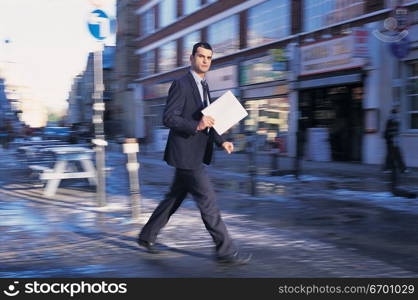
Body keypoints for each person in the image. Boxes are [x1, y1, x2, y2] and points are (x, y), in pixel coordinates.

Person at [137, 42, 252, 265]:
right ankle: (225, 251)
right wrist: (196, 126)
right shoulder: (181, 84)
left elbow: (208, 120)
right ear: (192, 58)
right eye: (201, 56)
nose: (206, 61)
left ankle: (146, 236)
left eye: (209, 57)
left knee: (173, 198)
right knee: (208, 202)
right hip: (186, 154)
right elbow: (169, 118)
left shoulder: (204, 86)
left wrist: (222, 141)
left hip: (194, 154)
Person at [383, 107, 408, 173]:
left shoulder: (395, 121)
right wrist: (392, 136)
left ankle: (400, 168)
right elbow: (388, 131)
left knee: (394, 154)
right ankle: (401, 169)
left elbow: (396, 131)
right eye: (397, 113)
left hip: (394, 141)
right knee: (393, 155)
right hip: (391, 140)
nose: (397, 115)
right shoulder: (391, 121)